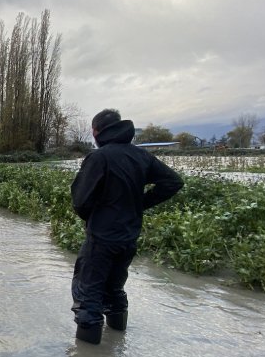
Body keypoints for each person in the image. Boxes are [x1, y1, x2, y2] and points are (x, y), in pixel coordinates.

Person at [70, 109, 183, 344]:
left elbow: (80, 201)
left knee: (88, 297)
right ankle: (116, 345)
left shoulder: (99, 157)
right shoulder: (141, 156)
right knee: (115, 289)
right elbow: (173, 182)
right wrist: (139, 204)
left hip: (101, 238)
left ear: (97, 131)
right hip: (128, 236)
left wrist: (94, 217)